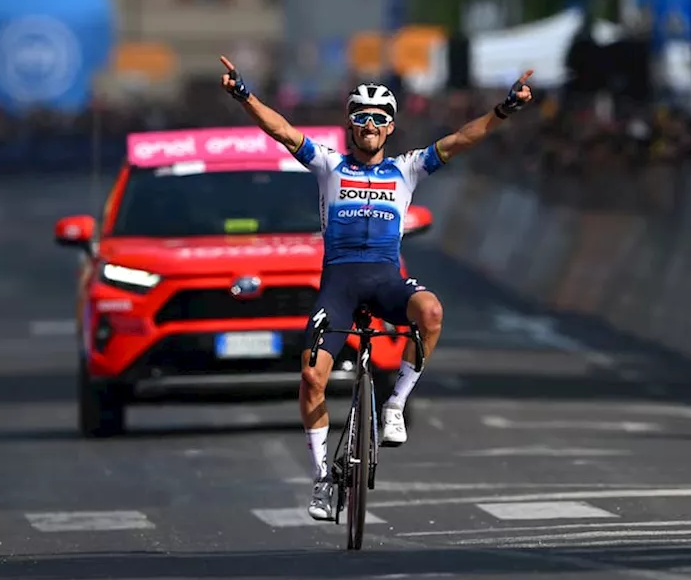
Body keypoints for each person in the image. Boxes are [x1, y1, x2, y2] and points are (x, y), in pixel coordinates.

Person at [217, 55, 534, 520]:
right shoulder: (327, 165)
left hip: (386, 280)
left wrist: (504, 109)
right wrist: (243, 94)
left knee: (431, 312)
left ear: (390, 127)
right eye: (361, 116)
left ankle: (395, 406)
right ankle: (324, 478)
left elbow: (462, 139)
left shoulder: (407, 168)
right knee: (310, 379)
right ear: (349, 124)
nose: (369, 124)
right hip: (339, 286)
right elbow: (281, 129)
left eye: (379, 117)